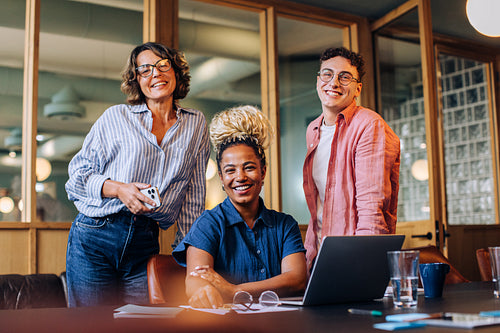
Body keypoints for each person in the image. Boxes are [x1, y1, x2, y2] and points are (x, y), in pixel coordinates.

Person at [65, 42, 209, 307]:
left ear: (176, 72)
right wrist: (119, 189)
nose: (156, 73)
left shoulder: (196, 124)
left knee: (142, 323)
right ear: (137, 80)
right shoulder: (116, 117)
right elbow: (76, 178)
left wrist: (189, 258)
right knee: (91, 326)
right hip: (96, 234)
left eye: (163, 65)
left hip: (145, 240)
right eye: (145, 70)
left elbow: (193, 197)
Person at [172, 105, 306, 309]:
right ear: (222, 178)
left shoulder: (285, 225)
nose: (240, 177)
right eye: (230, 170)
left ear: (263, 171)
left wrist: (234, 290)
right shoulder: (208, 224)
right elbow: (195, 280)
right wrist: (201, 291)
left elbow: (296, 279)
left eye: (249, 167)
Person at [303, 47, 400, 272]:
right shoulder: (313, 129)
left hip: (354, 258)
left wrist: (364, 268)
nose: (334, 82)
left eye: (344, 77)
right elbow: (318, 205)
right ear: (318, 81)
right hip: (320, 253)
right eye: (327, 74)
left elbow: (371, 207)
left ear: (357, 89)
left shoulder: (368, 125)